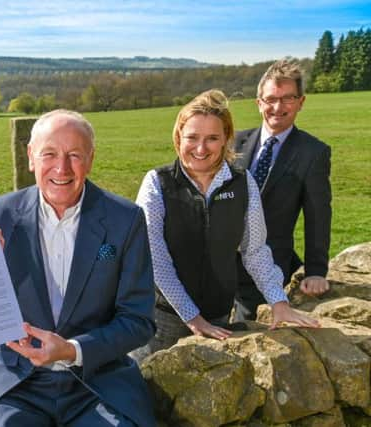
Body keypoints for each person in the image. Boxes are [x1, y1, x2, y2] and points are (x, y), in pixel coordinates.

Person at [0, 110, 156, 427]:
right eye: (49, 154)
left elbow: (138, 320)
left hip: (97, 381)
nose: (61, 168)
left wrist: (72, 350)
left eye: (74, 155)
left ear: (91, 159)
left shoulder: (126, 219)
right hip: (18, 382)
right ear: (31, 157)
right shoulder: (2, 212)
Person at [130, 90, 319, 360]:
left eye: (212, 138)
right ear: (178, 137)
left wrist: (278, 301)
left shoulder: (242, 183)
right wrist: (192, 318)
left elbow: (255, 251)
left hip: (218, 315)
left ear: (226, 140)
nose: (201, 148)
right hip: (163, 319)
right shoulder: (157, 183)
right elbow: (154, 259)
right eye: (192, 137)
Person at [233, 59, 332, 321]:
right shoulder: (232, 141)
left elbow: (318, 214)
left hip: (268, 267)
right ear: (258, 103)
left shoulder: (313, 153)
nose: (278, 107)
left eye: (288, 98)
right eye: (271, 99)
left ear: (301, 102)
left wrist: (315, 270)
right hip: (216, 264)